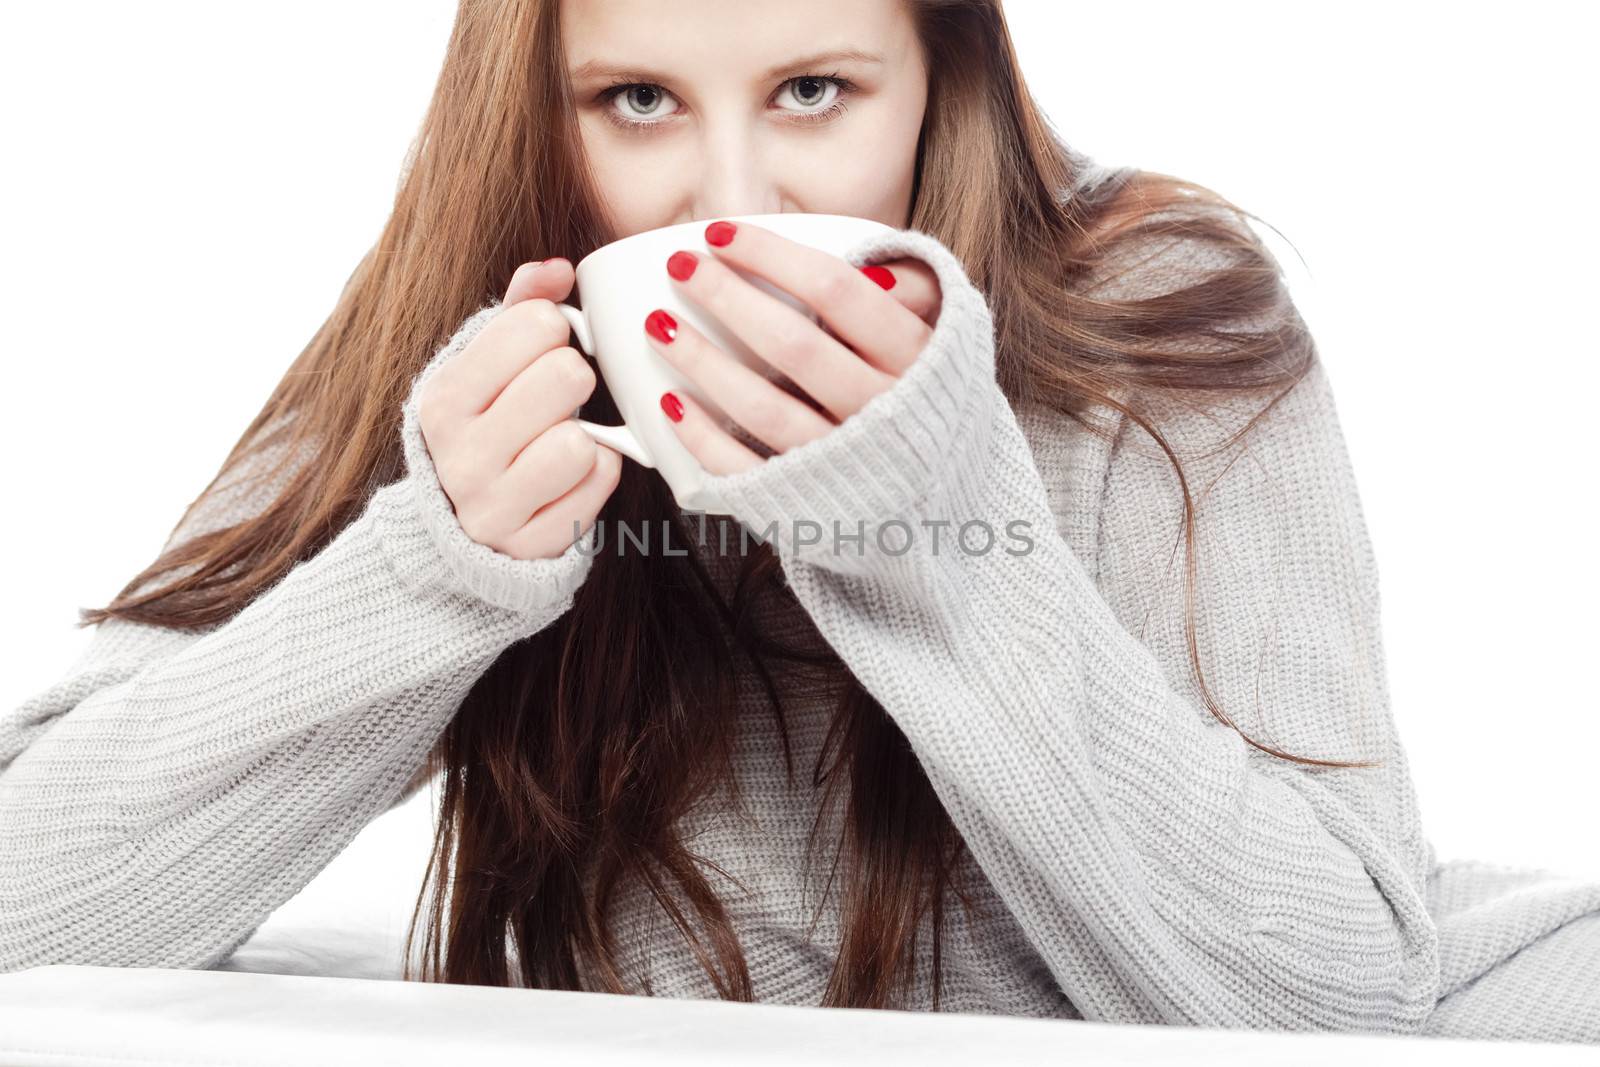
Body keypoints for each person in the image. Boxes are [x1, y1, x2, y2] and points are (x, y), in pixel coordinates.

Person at [3, 0, 1598, 1045]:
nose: (731, 199)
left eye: (816, 89)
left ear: (936, 84)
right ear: (542, 119)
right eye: (636, 99)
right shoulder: (462, 334)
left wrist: (932, 532)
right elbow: (25, 908)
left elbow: (1334, 1000)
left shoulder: (1157, 317)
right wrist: (435, 579)